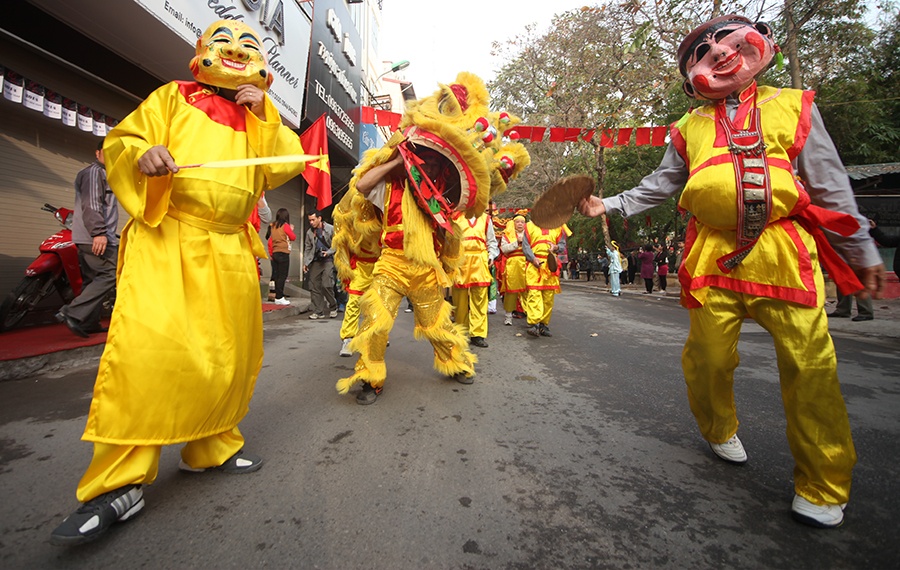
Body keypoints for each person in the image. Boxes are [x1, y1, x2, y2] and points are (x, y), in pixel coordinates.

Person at [577, 14, 884, 528]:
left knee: (811, 367)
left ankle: (823, 484)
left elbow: (829, 183)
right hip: (712, 257)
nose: (718, 52)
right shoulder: (688, 128)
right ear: (690, 80)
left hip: (783, 254)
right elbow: (660, 185)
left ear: (761, 44)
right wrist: (606, 204)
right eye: (702, 51)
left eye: (726, 38)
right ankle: (718, 429)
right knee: (708, 360)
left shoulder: (795, 105)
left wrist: (862, 248)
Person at [50, 19, 308, 545]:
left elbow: (282, 167)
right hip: (168, 237)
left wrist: (264, 112)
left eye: (249, 45)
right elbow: (124, 141)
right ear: (202, 52)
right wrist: (142, 154)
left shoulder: (260, 113)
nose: (237, 50)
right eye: (225, 42)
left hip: (230, 248)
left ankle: (211, 447)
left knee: (225, 356)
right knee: (146, 355)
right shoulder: (173, 96)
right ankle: (117, 484)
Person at [334, 73, 529, 405]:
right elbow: (364, 185)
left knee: (437, 325)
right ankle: (370, 376)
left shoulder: (443, 197)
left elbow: (470, 203)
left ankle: (455, 363)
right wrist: (396, 162)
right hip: (391, 264)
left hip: (426, 270)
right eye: (424, 160)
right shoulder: (390, 186)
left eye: (435, 164)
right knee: (376, 322)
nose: (429, 167)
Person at [57, 140, 119, 337]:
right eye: (107, 151)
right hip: (94, 237)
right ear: (97, 153)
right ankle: (72, 312)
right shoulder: (94, 173)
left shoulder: (107, 174)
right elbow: (91, 204)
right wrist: (98, 233)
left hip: (92, 236)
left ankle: (88, 322)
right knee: (111, 273)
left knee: (92, 278)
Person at [452, 211, 499, 348]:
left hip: (480, 261)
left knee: (480, 299)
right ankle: (461, 332)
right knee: (460, 300)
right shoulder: (455, 217)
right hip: (461, 261)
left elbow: (492, 242)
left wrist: (491, 256)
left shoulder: (485, 219)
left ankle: (477, 334)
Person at [523, 221, 569, 337]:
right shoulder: (529, 226)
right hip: (534, 265)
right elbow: (525, 246)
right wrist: (533, 258)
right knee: (534, 294)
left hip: (550, 265)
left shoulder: (558, 227)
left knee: (548, 298)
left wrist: (556, 247)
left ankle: (544, 324)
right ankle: (534, 324)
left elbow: (562, 245)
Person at [303, 209, 337, 320]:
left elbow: (337, 244)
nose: (311, 222)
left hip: (328, 259)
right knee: (314, 285)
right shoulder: (309, 232)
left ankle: (333, 306)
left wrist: (328, 252)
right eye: (310, 220)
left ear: (319, 218)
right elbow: (308, 248)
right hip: (315, 260)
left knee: (326, 284)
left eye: (313, 220)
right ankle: (318, 311)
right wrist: (305, 262)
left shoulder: (330, 229)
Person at [500, 214, 529, 326]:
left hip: (526, 264)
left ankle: (530, 315)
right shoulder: (507, 235)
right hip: (512, 265)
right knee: (511, 291)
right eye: (518, 222)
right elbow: (504, 249)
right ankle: (508, 316)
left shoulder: (529, 235)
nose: (520, 224)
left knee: (528, 290)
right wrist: (517, 242)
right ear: (514, 223)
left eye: (522, 222)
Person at [267, 208, 296, 305]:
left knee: (277, 275)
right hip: (283, 252)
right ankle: (279, 297)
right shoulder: (285, 225)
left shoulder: (273, 226)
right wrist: (291, 230)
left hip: (275, 252)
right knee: (282, 276)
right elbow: (293, 237)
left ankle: (277, 296)